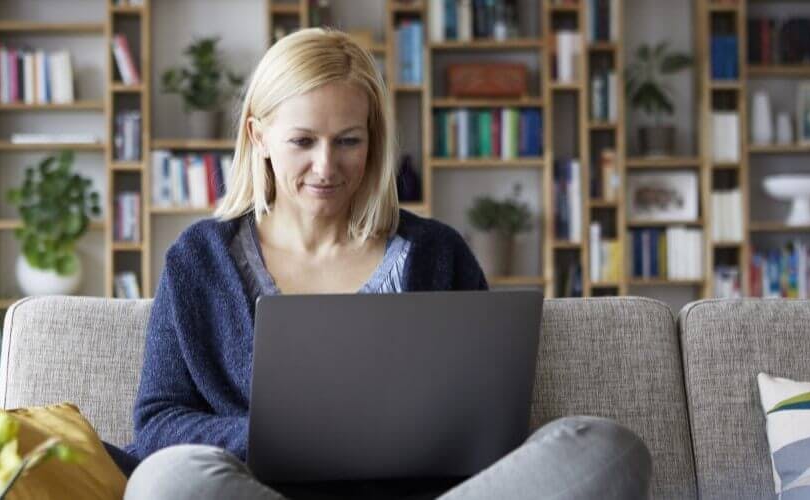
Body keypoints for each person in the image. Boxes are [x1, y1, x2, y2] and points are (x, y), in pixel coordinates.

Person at [117, 28, 651, 500]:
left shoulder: (438, 255)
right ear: (258, 137)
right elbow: (158, 422)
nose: (326, 167)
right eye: (303, 141)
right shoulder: (198, 260)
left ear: (373, 141)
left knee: (609, 449)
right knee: (167, 483)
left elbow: (489, 420)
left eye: (348, 141)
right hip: (260, 490)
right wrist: (278, 438)